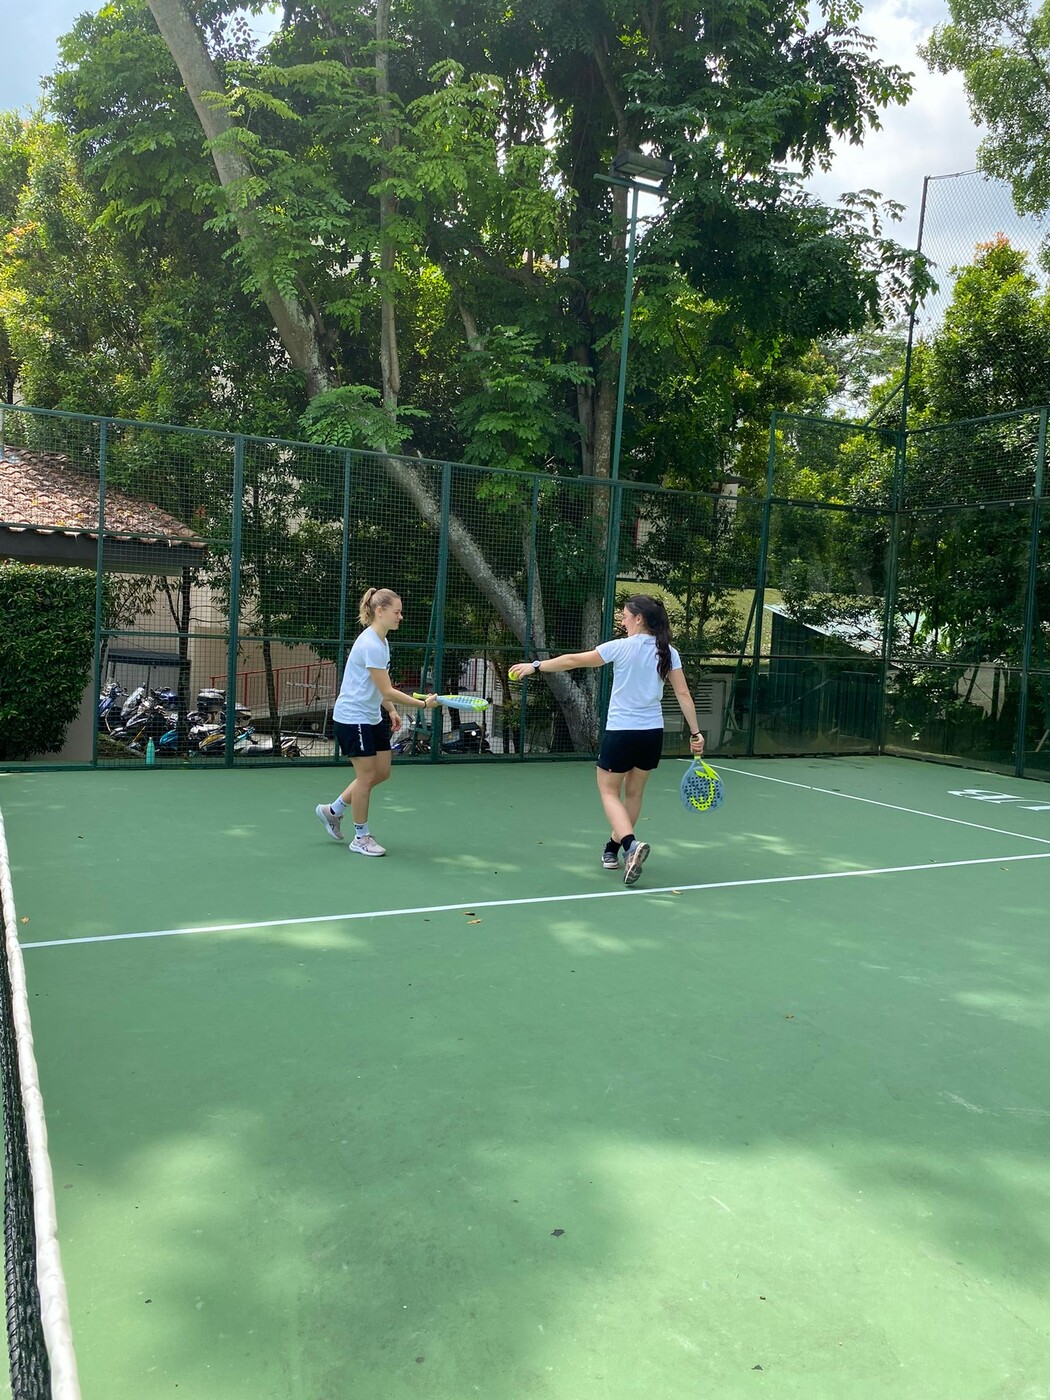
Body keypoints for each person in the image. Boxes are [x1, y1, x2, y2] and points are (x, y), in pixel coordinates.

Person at [509, 595, 705, 885]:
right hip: (652, 735)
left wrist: (536, 665)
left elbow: (574, 660)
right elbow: (684, 694)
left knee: (609, 792)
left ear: (639, 619)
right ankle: (612, 849)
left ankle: (630, 846)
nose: (622, 620)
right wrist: (695, 733)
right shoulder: (668, 652)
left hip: (622, 732)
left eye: (625, 615)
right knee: (635, 794)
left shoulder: (621, 648)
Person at [315, 588, 439, 856]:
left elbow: (379, 688)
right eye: (396, 612)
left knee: (382, 772)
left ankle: (332, 810)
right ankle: (360, 837)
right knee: (366, 777)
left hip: (371, 717)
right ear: (379, 611)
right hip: (352, 719)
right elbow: (387, 689)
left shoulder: (382, 642)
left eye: (400, 612)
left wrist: (392, 711)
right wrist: (422, 704)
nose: (400, 617)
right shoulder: (370, 643)